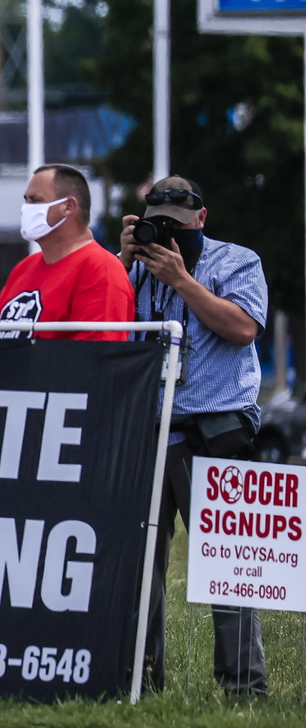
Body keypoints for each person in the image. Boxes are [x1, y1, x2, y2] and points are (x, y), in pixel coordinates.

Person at [120, 176, 268, 696]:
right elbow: (105, 329)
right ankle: (140, 681)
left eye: (179, 227)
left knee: (229, 566)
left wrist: (183, 280)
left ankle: (244, 688)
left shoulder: (236, 262)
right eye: (159, 225)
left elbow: (243, 328)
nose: (170, 236)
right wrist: (122, 263)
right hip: (151, 428)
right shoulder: (135, 271)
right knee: (140, 563)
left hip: (217, 427)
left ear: (201, 218)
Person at [0, 164, 133, 340]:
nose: (25, 208)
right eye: (26, 200)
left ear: (68, 206)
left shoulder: (101, 268)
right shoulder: (24, 268)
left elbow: (97, 356)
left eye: (35, 200)